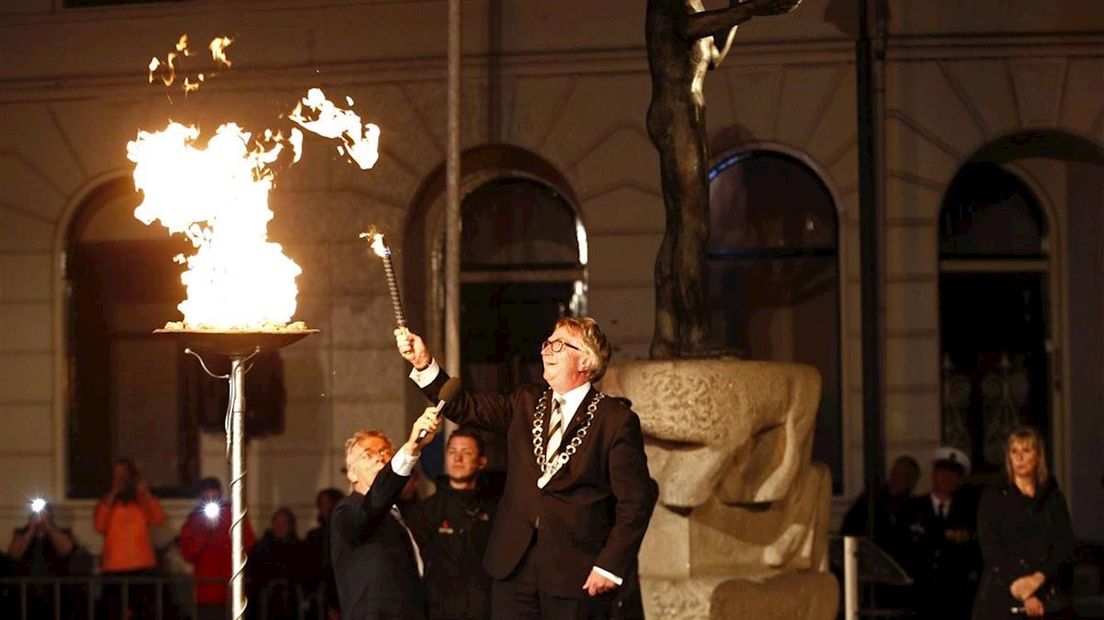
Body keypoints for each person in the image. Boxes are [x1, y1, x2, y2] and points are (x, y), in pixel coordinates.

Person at [396, 316, 659, 619]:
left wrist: (610, 566)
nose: (546, 350)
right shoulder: (526, 401)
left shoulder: (614, 420)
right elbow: (466, 406)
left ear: (586, 360)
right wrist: (423, 363)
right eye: (547, 343)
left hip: (574, 572)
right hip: (513, 567)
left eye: (559, 344)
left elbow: (635, 501)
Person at [330, 409, 442, 620]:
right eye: (368, 454)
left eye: (384, 451)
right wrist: (411, 447)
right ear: (351, 473)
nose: (379, 457)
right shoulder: (346, 511)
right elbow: (374, 503)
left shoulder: (405, 515)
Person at [973, 427, 1075, 620]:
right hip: (1002, 594)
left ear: (1038, 456)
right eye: (1014, 451)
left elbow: (1064, 545)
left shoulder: (1053, 498)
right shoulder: (994, 497)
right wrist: (1022, 590)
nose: (1019, 457)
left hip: (1048, 593)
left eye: (1026, 451)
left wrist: (1039, 578)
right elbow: (991, 548)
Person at [408, 427, 500, 620]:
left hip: (487, 610)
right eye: (452, 452)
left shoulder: (496, 510)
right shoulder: (426, 511)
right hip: (438, 611)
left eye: (466, 453)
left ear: (481, 461)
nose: (457, 459)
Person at [901, 446, 981, 617]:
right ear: (933, 474)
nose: (947, 478)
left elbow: (973, 555)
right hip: (919, 598)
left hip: (956, 600)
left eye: (953, 474)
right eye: (942, 472)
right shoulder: (912, 509)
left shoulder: (967, 513)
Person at [94, 457, 166, 619]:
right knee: (114, 612)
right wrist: (111, 497)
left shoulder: (141, 501)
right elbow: (99, 526)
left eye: (123, 475)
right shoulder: (106, 502)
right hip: (114, 567)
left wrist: (146, 494)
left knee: (143, 612)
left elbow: (158, 519)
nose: (120, 479)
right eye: (116, 475)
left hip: (142, 565)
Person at [180, 476, 257, 620]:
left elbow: (249, 545)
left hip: (232, 588)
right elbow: (188, 553)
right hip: (207, 591)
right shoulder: (194, 520)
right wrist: (205, 532)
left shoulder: (234, 515)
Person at [6, 502, 78, 618]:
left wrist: (48, 525)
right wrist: (31, 529)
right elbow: (14, 554)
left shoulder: (62, 532)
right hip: (26, 595)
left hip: (56, 595)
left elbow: (66, 549)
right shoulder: (21, 533)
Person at [247, 507, 308, 620]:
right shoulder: (261, 549)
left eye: (284, 522)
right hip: (265, 605)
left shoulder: (300, 549)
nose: (280, 526)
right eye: (277, 522)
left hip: (291, 604)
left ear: (290, 525)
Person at [306, 487, 346, 620]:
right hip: (320, 595)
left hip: (342, 592)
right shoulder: (314, 536)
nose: (325, 507)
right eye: (322, 504)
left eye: (329, 503)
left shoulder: (345, 532)